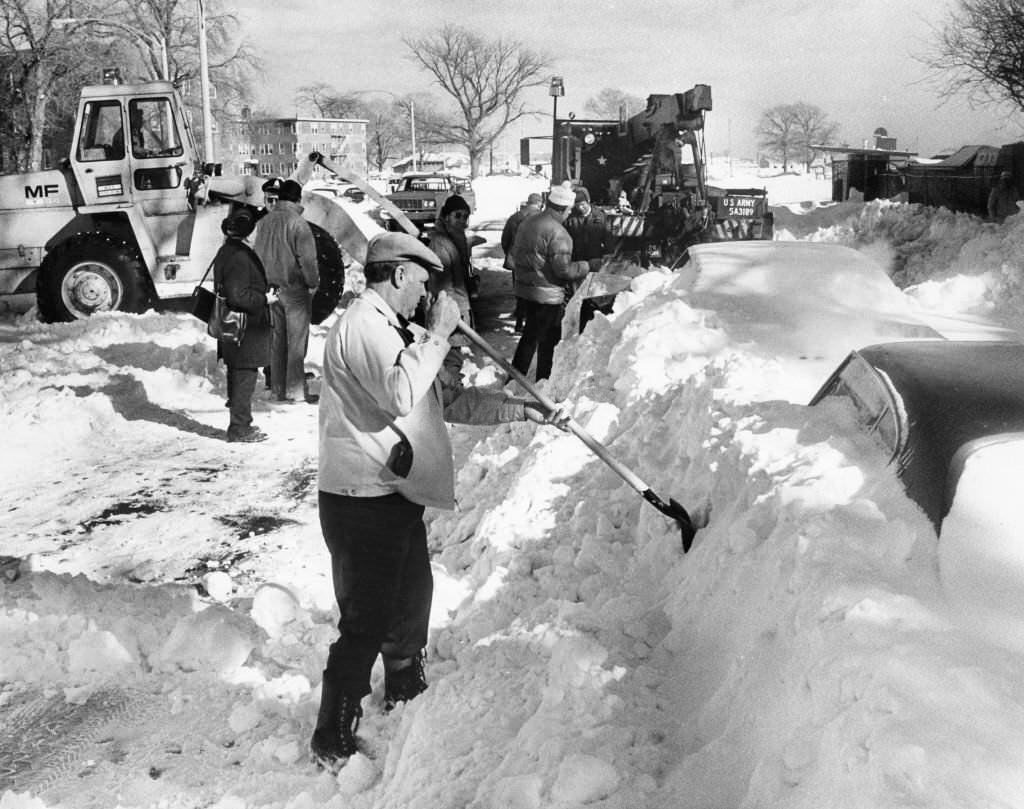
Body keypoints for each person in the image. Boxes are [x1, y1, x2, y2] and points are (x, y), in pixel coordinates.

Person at [311, 232, 566, 770]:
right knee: (366, 615)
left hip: (394, 491)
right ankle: (331, 732)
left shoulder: (395, 329)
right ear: (399, 274)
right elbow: (401, 394)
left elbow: (443, 399)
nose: (426, 295)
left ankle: (404, 680)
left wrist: (519, 409)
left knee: (411, 595)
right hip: (360, 496)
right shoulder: (363, 326)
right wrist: (440, 335)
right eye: (422, 282)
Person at [509, 183, 602, 381]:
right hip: (547, 295)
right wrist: (588, 265)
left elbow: (515, 252)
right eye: (569, 210)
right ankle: (542, 382)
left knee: (529, 337)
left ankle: (514, 380)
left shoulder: (528, 222)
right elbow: (564, 270)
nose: (570, 214)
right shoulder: (559, 234)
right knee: (547, 341)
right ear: (562, 208)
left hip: (526, 289)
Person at [253, 178, 320, 403]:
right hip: (295, 289)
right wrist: (312, 283)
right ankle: (295, 392)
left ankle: (278, 388)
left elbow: (257, 256)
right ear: (298, 199)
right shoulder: (298, 224)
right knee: (296, 343)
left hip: (271, 290)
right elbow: (307, 260)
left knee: (277, 342)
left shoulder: (263, 222)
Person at [212, 208, 274, 443]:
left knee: (239, 373)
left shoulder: (227, 250)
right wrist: (264, 299)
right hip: (245, 327)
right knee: (244, 375)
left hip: (234, 325)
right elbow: (238, 295)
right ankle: (239, 427)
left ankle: (240, 423)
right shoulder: (240, 256)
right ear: (249, 231)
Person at [426, 194, 475, 331]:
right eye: (457, 215)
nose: (462, 220)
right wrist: (454, 314)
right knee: (449, 350)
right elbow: (441, 286)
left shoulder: (457, 238)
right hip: (449, 312)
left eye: (465, 216)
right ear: (447, 217)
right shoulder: (440, 244)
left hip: (459, 306)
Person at [501, 192, 543, 332]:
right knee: (535, 292)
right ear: (539, 203)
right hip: (535, 260)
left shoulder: (515, 217)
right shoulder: (542, 218)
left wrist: (509, 253)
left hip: (517, 260)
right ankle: (532, 323)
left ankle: (519, 323)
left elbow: (505, 239)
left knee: (520, 291)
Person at [563, 187, 608, 294]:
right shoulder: (571, 218)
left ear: (588, 201)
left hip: (594, 256)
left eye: (582, 204)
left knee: (594, 285)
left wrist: (608, 252)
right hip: (577, 257)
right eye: (577, 205)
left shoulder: (600, 216)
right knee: (577, 287)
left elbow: (607, 234)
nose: (580, 208)